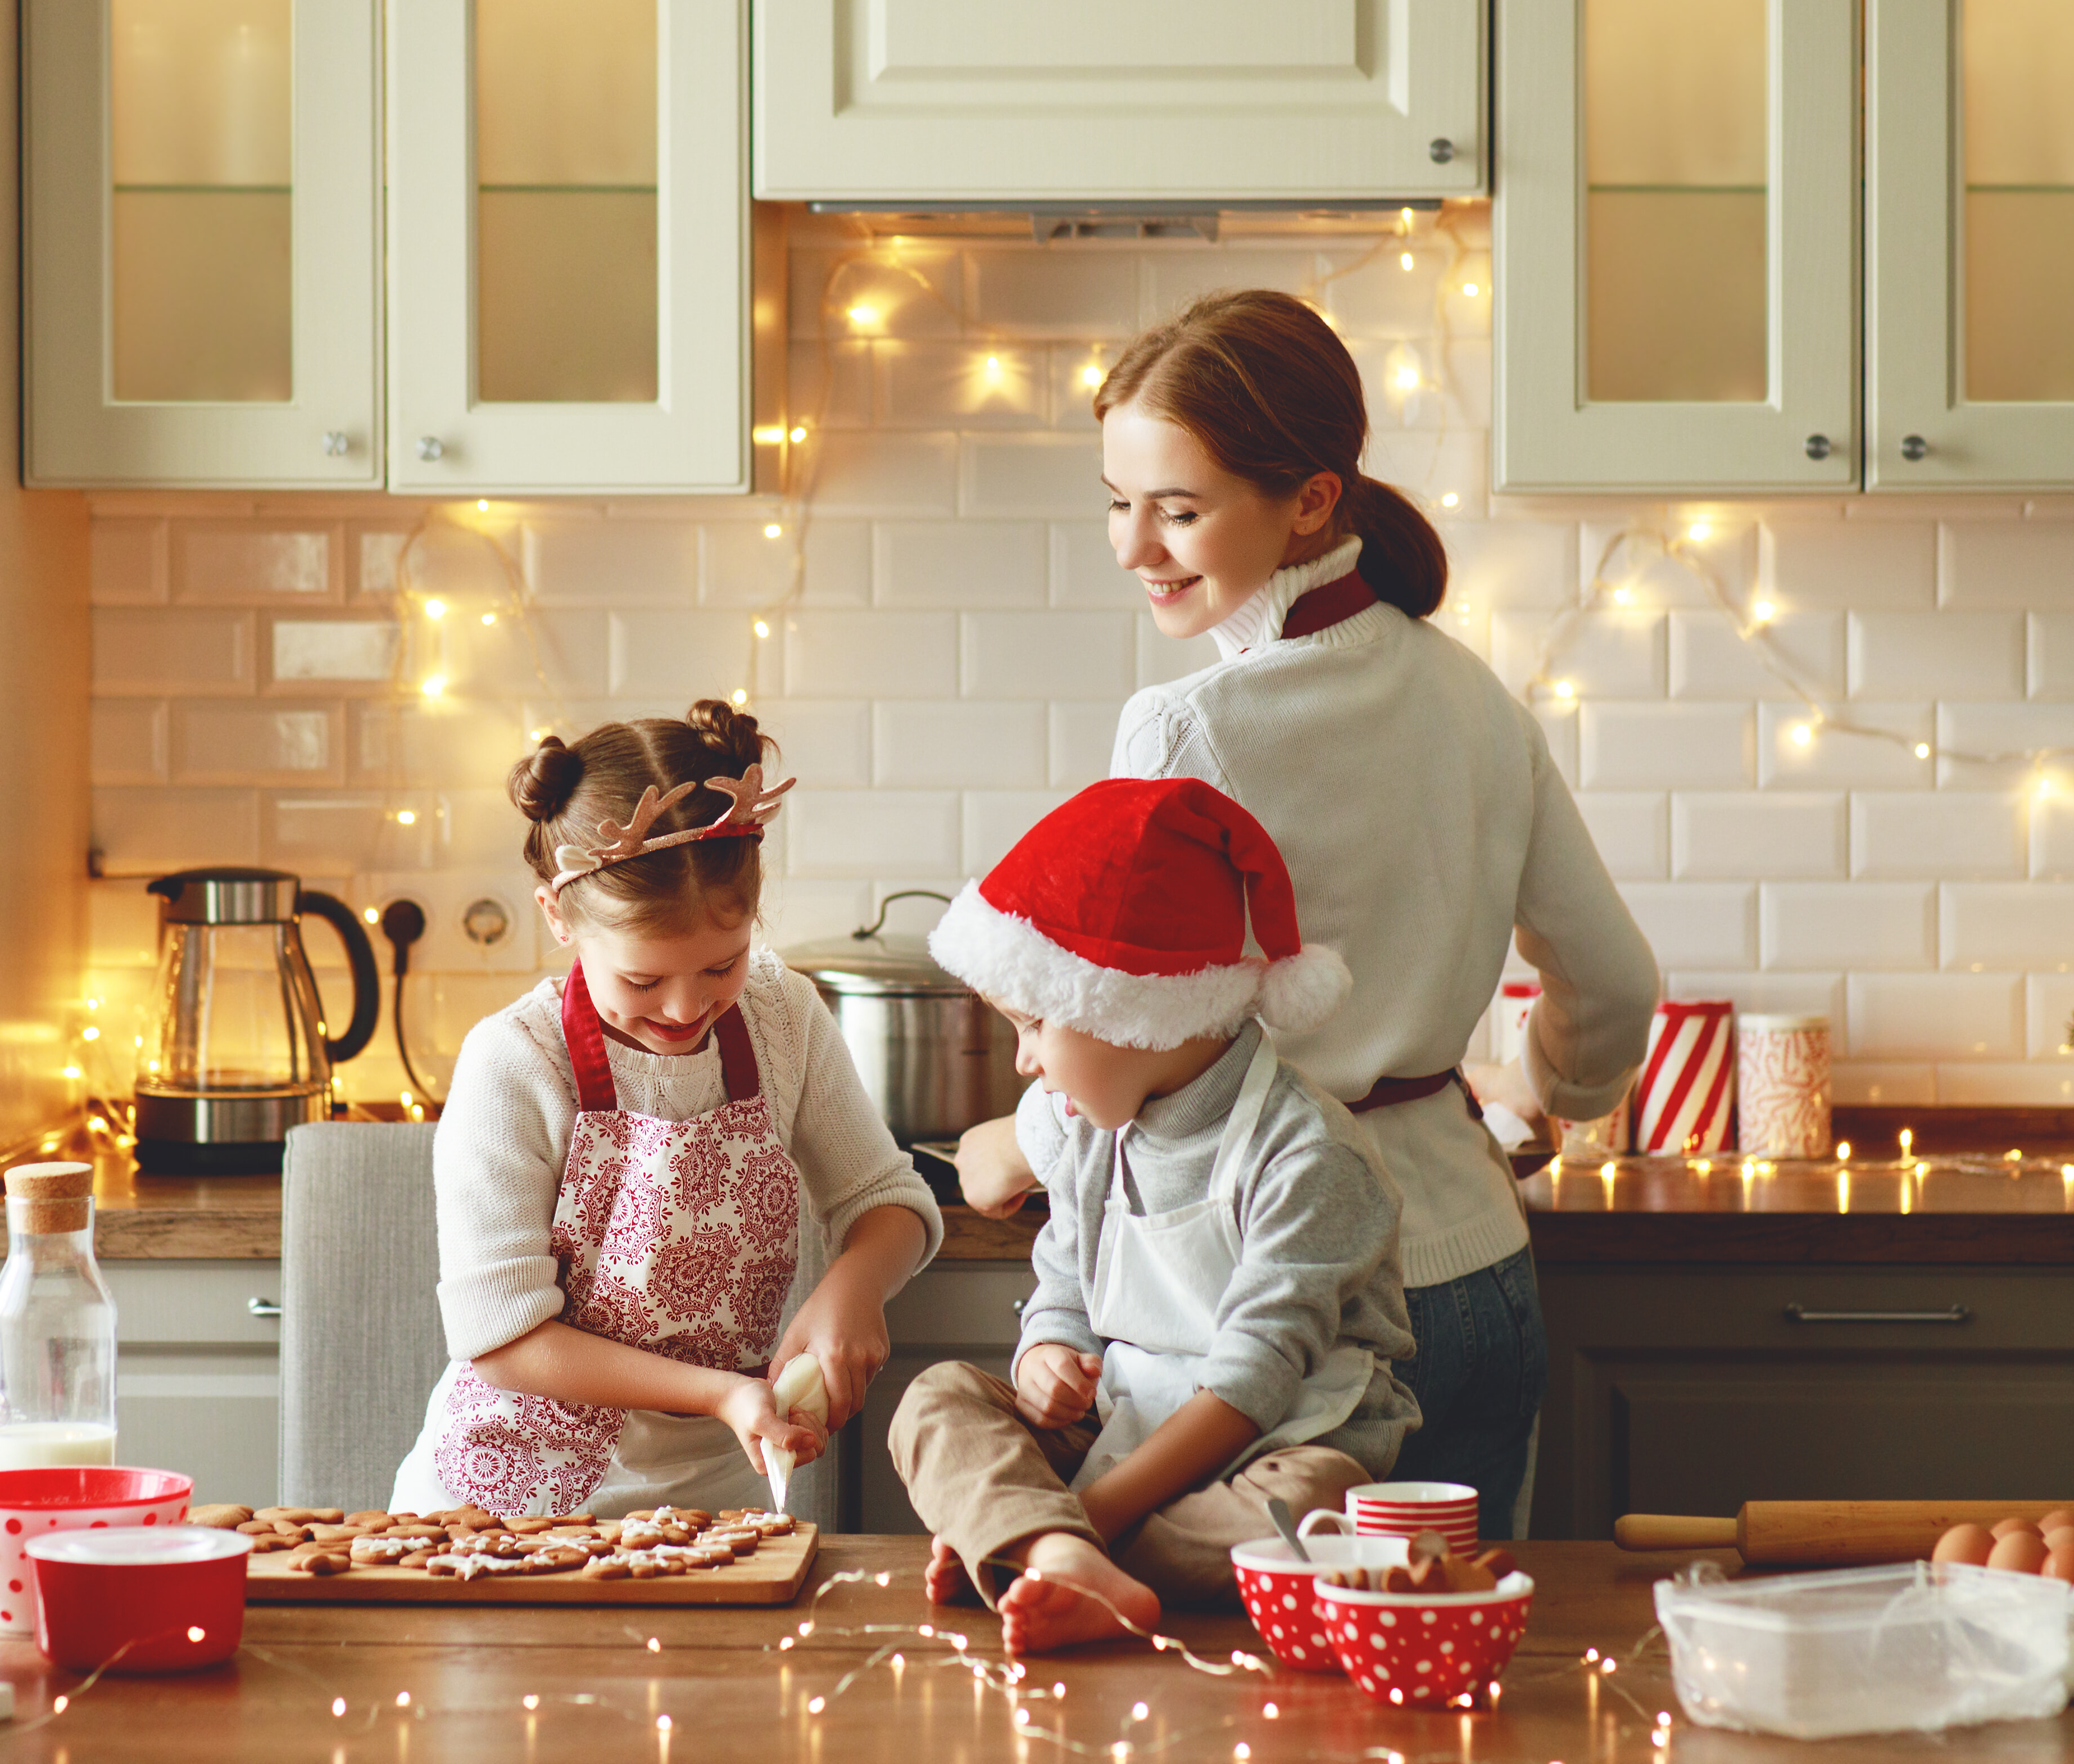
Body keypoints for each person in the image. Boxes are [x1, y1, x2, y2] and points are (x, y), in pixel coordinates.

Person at [954, 289, 1660, 1541]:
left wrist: (1023, 1140)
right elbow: (1610, 984)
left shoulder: (1184, 727)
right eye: (1120, 503)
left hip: (1272, 1296)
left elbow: (1126, 1013)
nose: (1135, 547)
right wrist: (1541, 1098)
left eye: (1180, 510)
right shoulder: (1475, 696)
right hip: (1480, 1270)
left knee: (1232, 1705)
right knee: (1447, 1683)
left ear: (1313, 499)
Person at [892, 777, 1419, 1655]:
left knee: (1314, 1508)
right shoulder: (1091, 1128)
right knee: (934, 1399)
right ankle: (1057, 1553)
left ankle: (1035, 1545)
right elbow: (1064, 1278)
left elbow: (1253, 1388)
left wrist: (1081, 1514)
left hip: (1272, 1445)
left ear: (1133, 1010)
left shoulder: (1309, 1155)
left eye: (1033, 1026)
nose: (1024, 1062)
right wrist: (1045, 1356)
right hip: (1123, 1426)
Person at [388, 700, 942, 1518]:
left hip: (706, 1508)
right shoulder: (516, 1063)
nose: (687, 1007)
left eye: (723, 964)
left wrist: (853, 1286)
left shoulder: (781, 1015)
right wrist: (721, 1393)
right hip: (508, 1507)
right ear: (558, 917)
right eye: (643, 981)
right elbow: (502, 1336)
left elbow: (888, 1200)